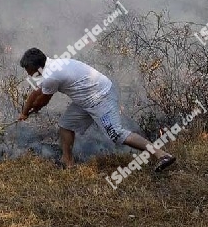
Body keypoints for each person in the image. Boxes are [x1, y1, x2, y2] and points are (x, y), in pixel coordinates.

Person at [17, 48, 176, 171]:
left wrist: (31, 111)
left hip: (101, 98)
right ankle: (68, 163)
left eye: (28, 70)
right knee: (66, 126)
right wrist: (24, 112)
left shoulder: (52, 76)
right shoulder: (50, 67)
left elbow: (41, 102)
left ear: (37, 68)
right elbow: (35, 93)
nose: (28, 73)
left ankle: (162, 155)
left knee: (116, 134)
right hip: (85, 100)